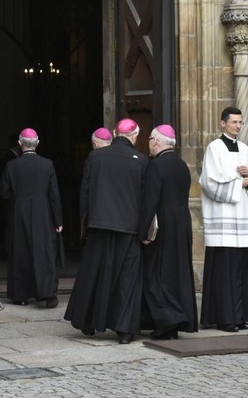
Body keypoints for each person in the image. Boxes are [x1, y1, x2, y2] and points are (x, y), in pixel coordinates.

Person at [64, 118, 148, 344]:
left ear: (114, 133)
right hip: (129, 228)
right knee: (126, 279)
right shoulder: (141, 161)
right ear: (135, 135)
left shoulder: (96, 156)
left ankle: (89, 323)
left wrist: (85, 225)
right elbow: (145, 199)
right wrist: (144, 230)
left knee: (95, 275)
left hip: (100, 226)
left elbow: (85, 192)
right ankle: (124, 331)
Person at [199, 106, 248, 333]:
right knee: (225, 270)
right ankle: (225, 317)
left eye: (240, 122)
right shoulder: (213, 148)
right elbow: (208, 183)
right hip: (222, 218)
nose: (238, 126)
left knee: (242, 269)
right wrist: (238, 184)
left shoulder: (243, 148)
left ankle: (242, 315)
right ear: (222, 123)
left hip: (241, 216)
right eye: (234, 122)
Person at [137, 124, 198, 340]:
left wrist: (143, 232)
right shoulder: (182, 164)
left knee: (156, 274)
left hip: (163, 226)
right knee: (176, 272)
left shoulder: (156, 166)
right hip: (181, 224)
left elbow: (150, 201)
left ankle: (168, 320)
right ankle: (175, 320)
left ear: (156, 142)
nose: (150, 145)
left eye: (151, 140)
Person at [0, 128, 63, 308]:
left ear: (20, 144)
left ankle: (21, 296)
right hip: (43, 214)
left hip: (19, 213)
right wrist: (58, 221)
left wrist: (17, 202)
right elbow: (54, 195)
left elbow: (4, 193)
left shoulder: (12, 165)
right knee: (43, 252)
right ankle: (47, 294)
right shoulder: (47, 164)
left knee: (21, 252)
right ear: (38, 143)